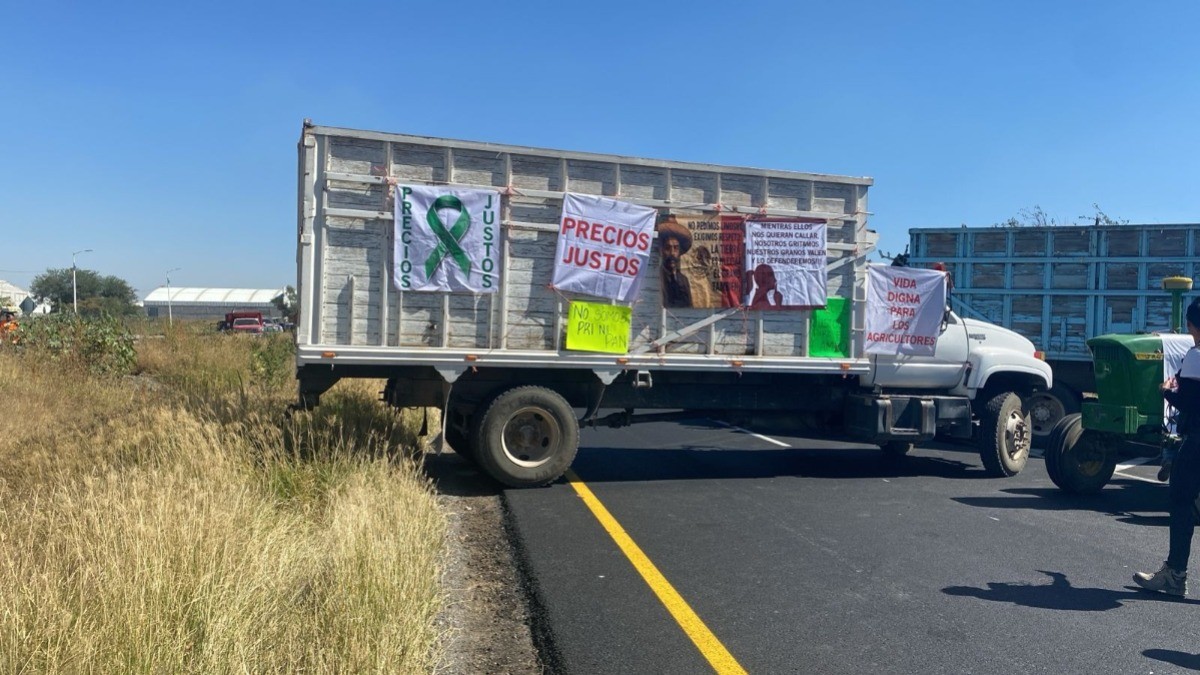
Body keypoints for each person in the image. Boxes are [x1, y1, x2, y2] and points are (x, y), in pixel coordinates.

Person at [1134, 298, 1200, 596]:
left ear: (1191, 325)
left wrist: (1166, 392)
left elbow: (1188, 401)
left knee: (1180, 499)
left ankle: (1175, 575)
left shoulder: (1196, 355)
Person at [658, 215, 693, 308]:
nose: (672, 253)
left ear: (680, 251)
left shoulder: (683, 280)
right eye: (667, 248)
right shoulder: (657, 276)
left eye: (676, 248)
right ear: (661, 250)